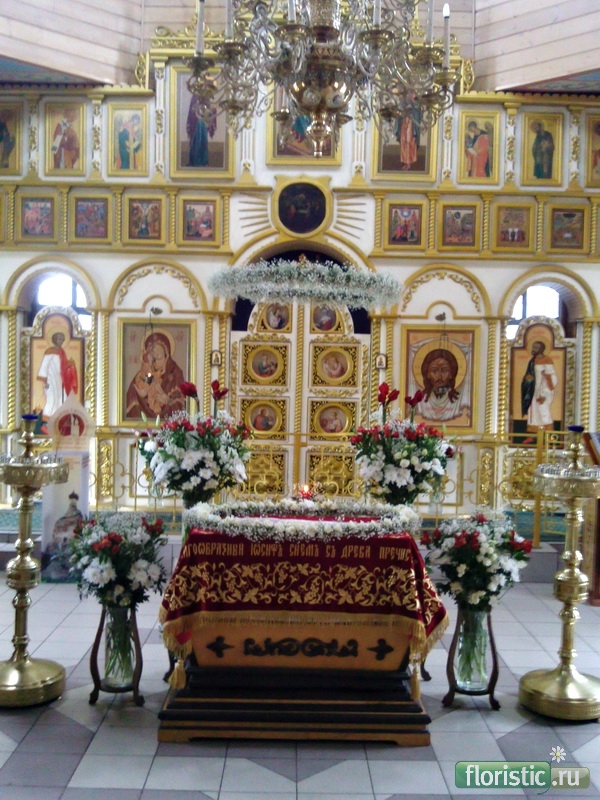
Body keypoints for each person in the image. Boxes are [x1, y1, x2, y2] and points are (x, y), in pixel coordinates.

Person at [125, 332, 185, 419]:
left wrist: (167, 401)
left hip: (168, 421)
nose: (155, 361)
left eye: (159, 357)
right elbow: (133, 399)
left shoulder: (175, 373)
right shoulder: (145, 373)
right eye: (153, 358)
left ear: (166, 354)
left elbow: (180, 404)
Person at [37, 329, 79, 431]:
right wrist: (45, 381)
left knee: (62, 400)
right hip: (50, 381)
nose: (61, 341)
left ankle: (59, 423)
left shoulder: (61, 352)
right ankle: (45, 424)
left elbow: (62, 365)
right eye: (59, 338)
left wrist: (70, 364)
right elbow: (44, 366)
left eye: (62, 339)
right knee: (52, 400)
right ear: (54, 339)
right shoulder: (50, 351)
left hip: (60, 381)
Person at [416, 348, 467, 422]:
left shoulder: (460, 400)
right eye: (434, 371)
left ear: (451, 374)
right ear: (427, 374)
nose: (439, 377)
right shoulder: (420, 401)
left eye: (444, 371)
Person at [521, 340, 557, 429]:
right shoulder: (532, 361)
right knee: (534, 411)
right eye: (533, 347)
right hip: (533, 390)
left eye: (536, 348)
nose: (533, 349)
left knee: (543, 410)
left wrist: (545, 393)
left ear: (541, 349)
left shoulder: (547, 360)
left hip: (543, 389)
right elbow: (530, 375)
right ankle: (534, 433)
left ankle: (548, 433)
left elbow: (549, 376)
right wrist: (527, 381)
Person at [186, 97, 217, 167]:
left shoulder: (207, 96)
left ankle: (204, 161)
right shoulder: (195, 97)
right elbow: (193, 111)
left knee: (203, 141)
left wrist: (213, 109)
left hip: (203, 124)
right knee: (197, 141)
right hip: (196, 124)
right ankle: (196, 161)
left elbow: (210, 110)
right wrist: (198, 114)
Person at [395, 94, 421, 170]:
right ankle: (405, 161)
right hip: (404, 122)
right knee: (404, 141)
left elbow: (418, 111)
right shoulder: (404, 101)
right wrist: (405, 108)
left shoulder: (416, 102)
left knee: (410, 141)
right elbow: (399, 109)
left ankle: (409, 162)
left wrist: (412, 108)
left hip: (412, 124)